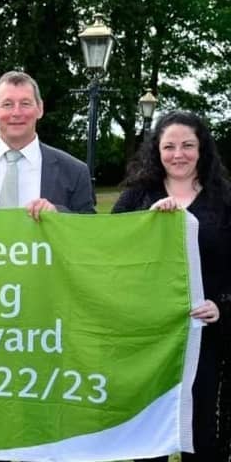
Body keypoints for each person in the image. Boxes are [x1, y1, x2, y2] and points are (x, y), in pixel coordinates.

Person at [112, 110, 231, 461]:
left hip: (205, 337)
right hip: (149, 339)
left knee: (202, 431)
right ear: (157, 151)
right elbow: (110, 251)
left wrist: (223, 304)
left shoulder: (224, 200)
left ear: (202, 149)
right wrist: (147, 225)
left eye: (188, 145)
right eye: (169, 146)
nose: (178, 154)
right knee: (151, 433)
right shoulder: (137, 198)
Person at [0, 70, 95, 220]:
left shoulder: (74, 171)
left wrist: (57, 214)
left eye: (25, 103)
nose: (17, 112)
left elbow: (90, 229)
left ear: (40, 109)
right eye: (7, 104)